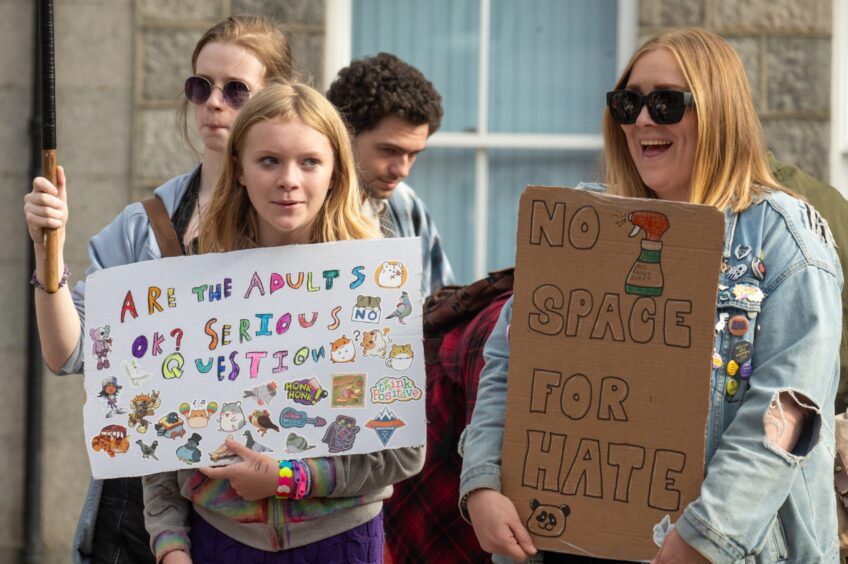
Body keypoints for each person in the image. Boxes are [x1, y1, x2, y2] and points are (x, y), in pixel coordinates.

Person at [459, 27, 841, 563]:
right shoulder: (585, 224)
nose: (642, 120)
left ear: (718, 112)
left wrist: (702, 539)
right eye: (628, 102)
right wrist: (482, 485)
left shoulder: (785, 239)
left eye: (665, 103)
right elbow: (510, 362)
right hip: (564, 543)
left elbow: (787, 414)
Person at [23, 15, 293, 563]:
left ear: (274, 99)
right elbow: (69, 353)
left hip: (245, 501)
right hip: (141, 502)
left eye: (235, 90)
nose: (213, 103)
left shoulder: (295, 221)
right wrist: (47, 250)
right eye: (201, 87)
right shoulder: (145, 223)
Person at [139, 82, 425, 564]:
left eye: (310, 162)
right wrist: (169, 545)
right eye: (269, 160)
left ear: (336, 173)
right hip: (218, 541)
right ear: (240, 171)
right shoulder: (194, 280)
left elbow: (403, 453)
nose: (289, 179)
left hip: (340, 543)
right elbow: (162, 440)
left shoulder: (377, 289)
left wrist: (290, 478)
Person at [326, 52, 455, 297]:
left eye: (413, 154)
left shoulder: (406, 204)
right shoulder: (297, 205)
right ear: (342, 132)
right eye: (389, 150)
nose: (403, 170)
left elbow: (443, 315)